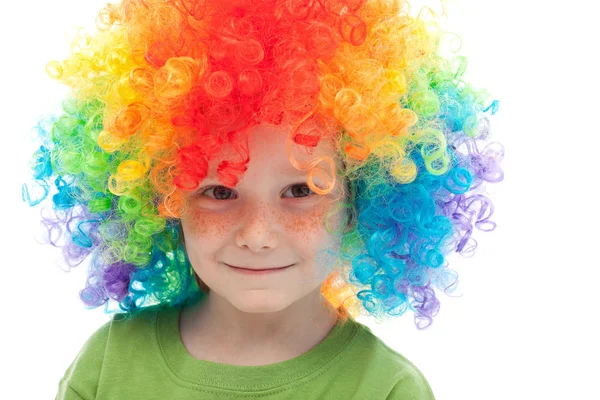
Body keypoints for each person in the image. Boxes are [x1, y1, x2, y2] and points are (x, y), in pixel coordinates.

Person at [23, 0, 503, 398]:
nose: (257, 234)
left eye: (300, 190)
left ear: (362, 199)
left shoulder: (384, 389)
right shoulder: (110, 368)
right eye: (219, 191)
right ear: (163, 201)